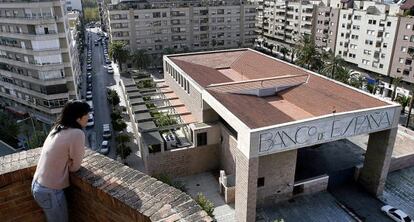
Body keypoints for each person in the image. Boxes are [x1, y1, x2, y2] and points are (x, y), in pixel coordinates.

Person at [31, 100, 90, 222]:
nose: (89, 117)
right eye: (87, 114)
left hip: (38, 185)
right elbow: (75, 167)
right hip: (49, 191)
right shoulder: (77, 133)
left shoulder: (57, 128)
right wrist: (68, 163)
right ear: (78, 118)